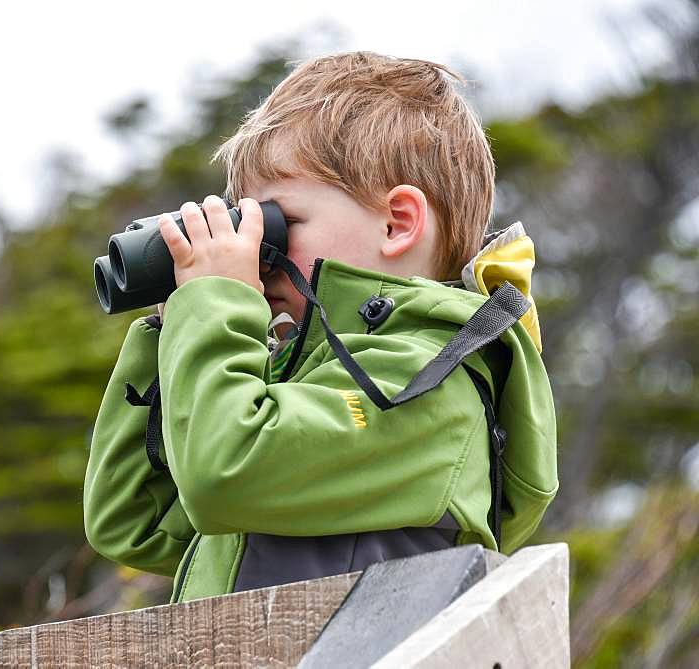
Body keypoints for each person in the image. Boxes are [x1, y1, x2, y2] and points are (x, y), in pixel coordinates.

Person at [83, 51, 558, 604]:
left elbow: (223, 475)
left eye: (282, 222)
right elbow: (132, 518)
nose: (260, 253)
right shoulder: (300, 384)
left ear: (397, 222)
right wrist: (171, 330)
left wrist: (215, 302)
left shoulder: (429, 384)